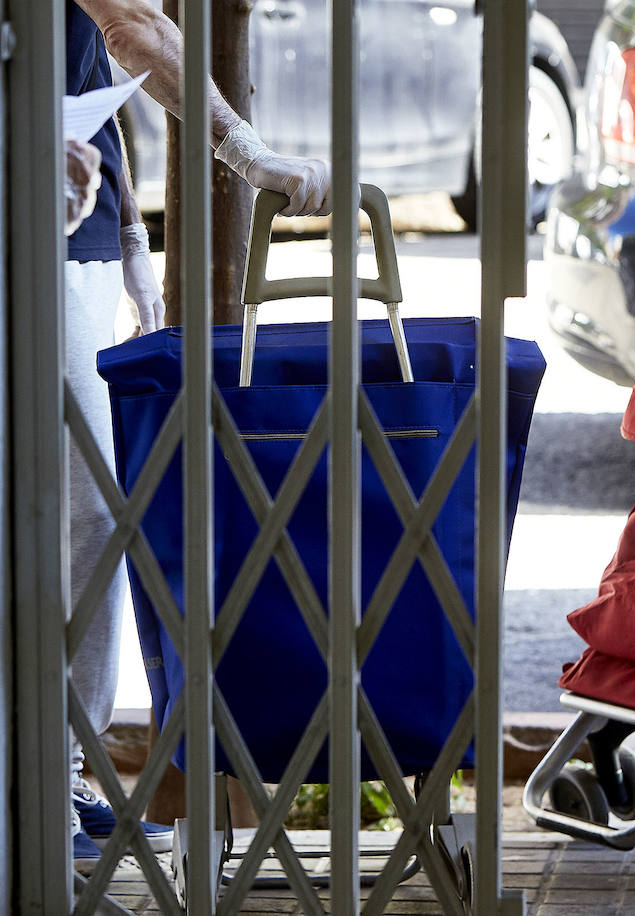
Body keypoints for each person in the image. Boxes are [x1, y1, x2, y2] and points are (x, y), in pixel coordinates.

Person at [64, 0, 331, 872]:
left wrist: (135, 236)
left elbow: (98, 60)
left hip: (73, 230)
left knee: (91, 517)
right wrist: (243, 149)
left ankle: (60, 762)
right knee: (76, 514)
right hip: (37, 228)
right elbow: (131, 24)